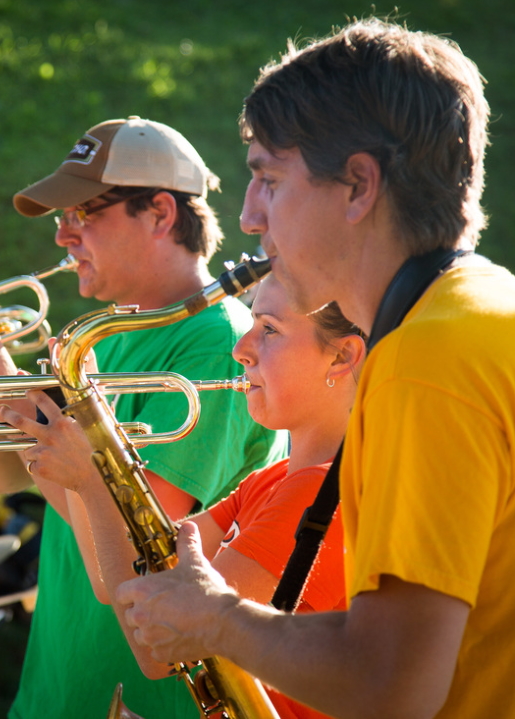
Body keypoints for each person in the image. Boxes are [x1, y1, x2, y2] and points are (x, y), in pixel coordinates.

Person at [117, 18, 515, 719]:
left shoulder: (423, 359)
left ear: (358, 185)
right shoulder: (480, 308)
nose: (246, 216)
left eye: (268, 179)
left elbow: (389, 684)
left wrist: (217, 618)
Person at [0, 117, 289, 718]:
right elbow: (7, 476)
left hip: (149, 700)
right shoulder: (109, 337)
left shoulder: (216, 341)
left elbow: (139, 543)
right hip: (60, 690)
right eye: (60, 219)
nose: (63, 236)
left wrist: (10, 393)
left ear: (159, 213)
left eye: (83, 214)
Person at [0, 274, 365, 719]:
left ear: (342, 357)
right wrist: (80, 452)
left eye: (269, 329)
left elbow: (160, 651)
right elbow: (132, 577)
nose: (241, 349)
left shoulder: (320, 491)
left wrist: (93, 476)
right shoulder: (275, 480)